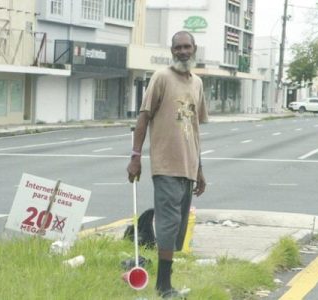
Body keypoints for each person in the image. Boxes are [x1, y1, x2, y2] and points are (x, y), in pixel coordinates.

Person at [126, 31, 208, 299]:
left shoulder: (197, 83)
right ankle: (163, 287)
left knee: (178, 229)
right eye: (178, 47)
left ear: (194, 48)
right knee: (168, 225)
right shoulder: (161, 78)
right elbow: (143, 118)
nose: (183, 51)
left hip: (188, 168)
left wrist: (199, 169)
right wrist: (135, 157)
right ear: (171, 50)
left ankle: (166, 283)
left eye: (187, 47)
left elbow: (194, 129)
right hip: (165, 166)